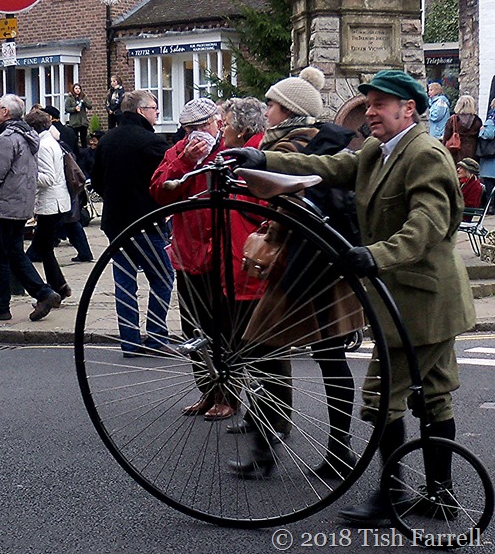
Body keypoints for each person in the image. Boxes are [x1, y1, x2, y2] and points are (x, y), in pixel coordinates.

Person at [226, 69, 476, 523]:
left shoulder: (425, 155)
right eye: (370, 103)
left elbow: (427, 226)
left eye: (381, 104)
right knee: (434, 395)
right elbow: (327, 168)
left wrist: (373, 255)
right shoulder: (378, 152)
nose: (371, 112)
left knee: (383, 397)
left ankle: (390, 495)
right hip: (413, 298)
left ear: (409, 109)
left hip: (422, 301)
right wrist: (260, 158)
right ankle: (441, 497)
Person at [227, 68, 363, 480]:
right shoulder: (314, 139)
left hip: (301, 264)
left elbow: (292, 203)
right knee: (330, 358)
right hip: (326, 263)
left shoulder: (291, 145)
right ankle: (336, 450)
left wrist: (269, 224)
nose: (266, 110)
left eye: (271, 104)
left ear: (287, 109)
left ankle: (266, 448)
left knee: (260, 347)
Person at [150, 97, 261, 421]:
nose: (197, 134)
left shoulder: (229, 151)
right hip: (188, 253)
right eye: (190, 129)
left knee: (224, 329)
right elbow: (159, 191)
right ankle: (207, 390)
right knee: (194, 328)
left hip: (222, 254)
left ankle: (229, 395)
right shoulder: (178, 152)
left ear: (218, 123)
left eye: (203, 126)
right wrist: (185, 161)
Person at [91, 90, 173, 356]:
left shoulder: (107, 139)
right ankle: (157, 335)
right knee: (162, 277)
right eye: (153, 108)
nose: (157, 112)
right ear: (140, 111)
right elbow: (166, 180)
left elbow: (97, 180)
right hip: (146, 222)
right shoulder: (151, 142)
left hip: (115, 223)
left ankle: (130, 341)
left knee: (125, 281)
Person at [0, 94, 62, 323]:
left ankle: (1, 305)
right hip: (22, 202)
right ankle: (44, 293)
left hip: (5, 204)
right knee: (14, 252)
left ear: (6, 112)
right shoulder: (28, 136)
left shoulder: (6, 139)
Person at [24, 109, 72, 302]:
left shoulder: (43, 145)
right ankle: (59, 286)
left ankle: (55, 288)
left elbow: (48, 178)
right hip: (56, 202)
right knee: (45, 249)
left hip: (50, 203)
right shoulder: (50, 141)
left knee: (43, 249)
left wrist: (27, 175)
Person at [443, 95, 482, 164]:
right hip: (472, 150)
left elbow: (446, 137)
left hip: (455, 150)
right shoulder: (477, 120)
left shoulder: (453, 119)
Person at [65, 83, 92, 148]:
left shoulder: (83, 97)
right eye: (76, 88)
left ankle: (85, 151)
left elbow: (90, 106)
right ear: (73, 89)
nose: (78, 90)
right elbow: (67, 109)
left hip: (83, 122)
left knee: (84, 139)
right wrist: (74, 109)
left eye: (79, 88)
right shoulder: (70, 98)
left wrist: (84, 101)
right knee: (75, 139)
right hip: (74, 122)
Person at [477, 115, 495, 200]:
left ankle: (490, 204)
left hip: (489, 159)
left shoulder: (491, 120)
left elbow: (489, 134)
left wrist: (481, 131)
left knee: (489, 185)